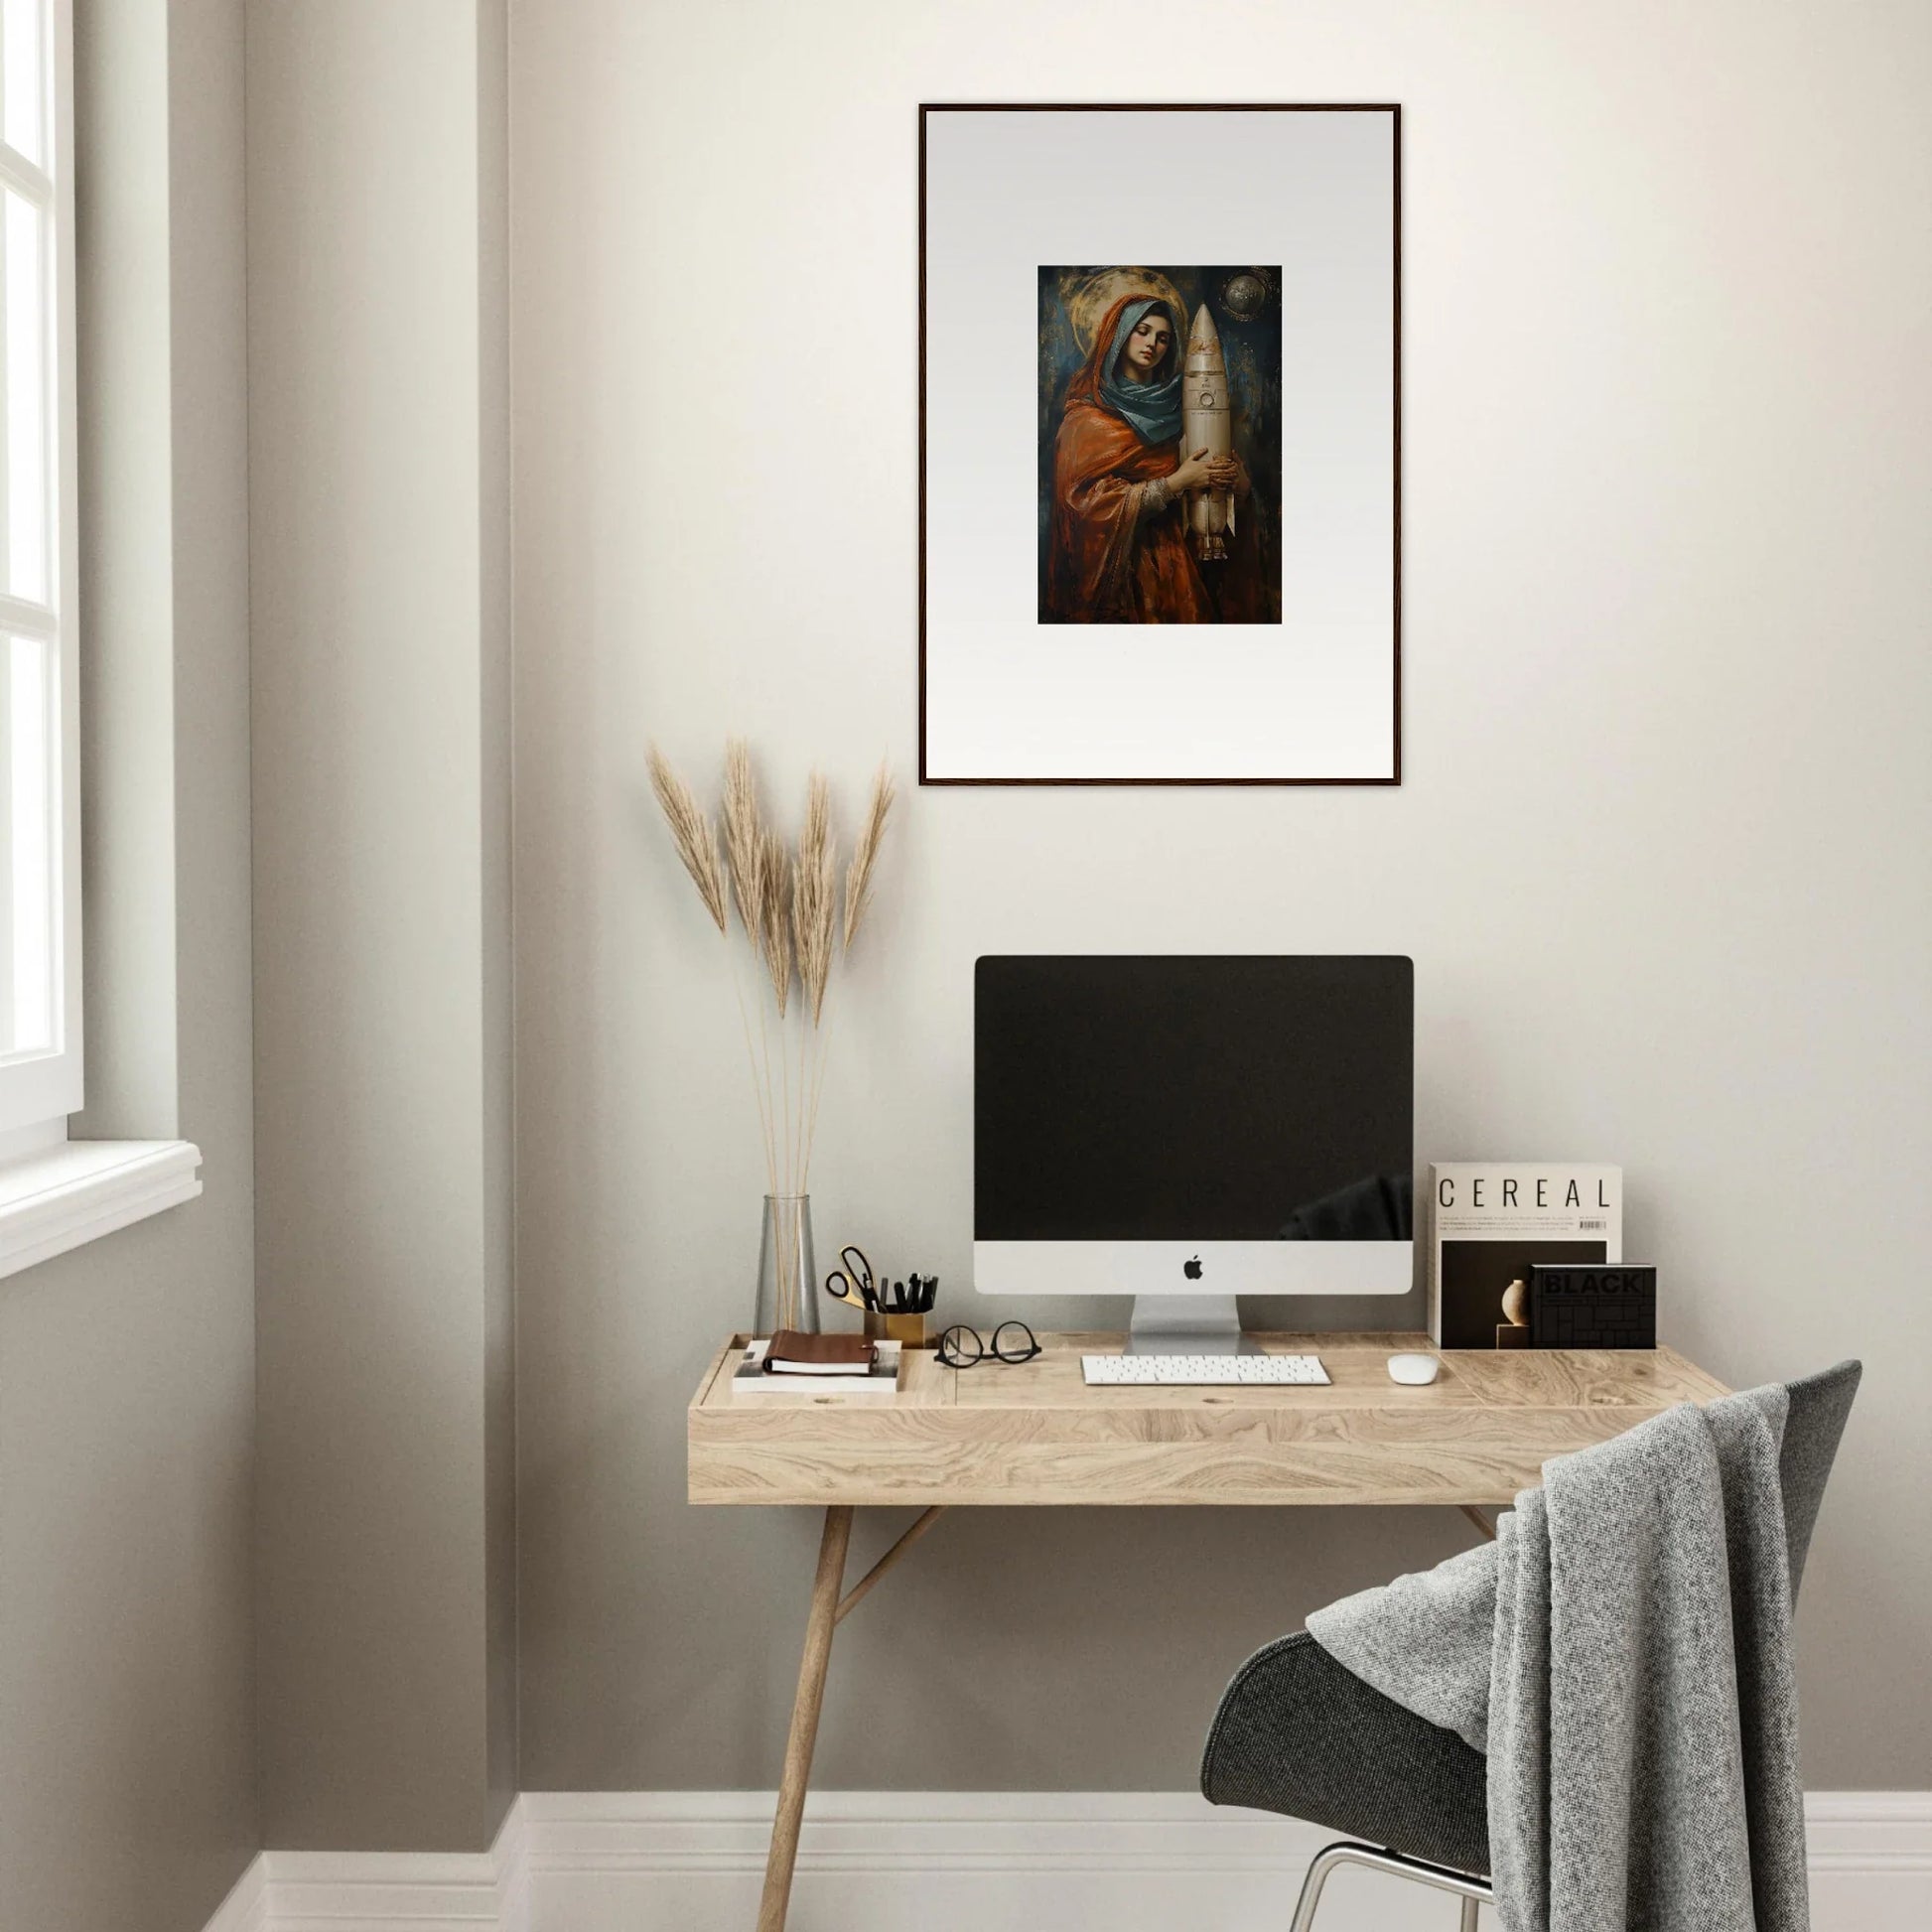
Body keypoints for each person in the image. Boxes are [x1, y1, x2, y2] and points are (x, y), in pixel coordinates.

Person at [1044, 294, 1250, 623]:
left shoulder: (1181, 407)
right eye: (1142, 330)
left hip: (1181, 561)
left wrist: (1235, 483)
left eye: (1163, 337)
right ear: (1120, 334)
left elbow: (1210, 486)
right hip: (1128, 571)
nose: (1152, 343)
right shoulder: (1087, 420)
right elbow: (1082, 506)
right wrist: (1177, 482)